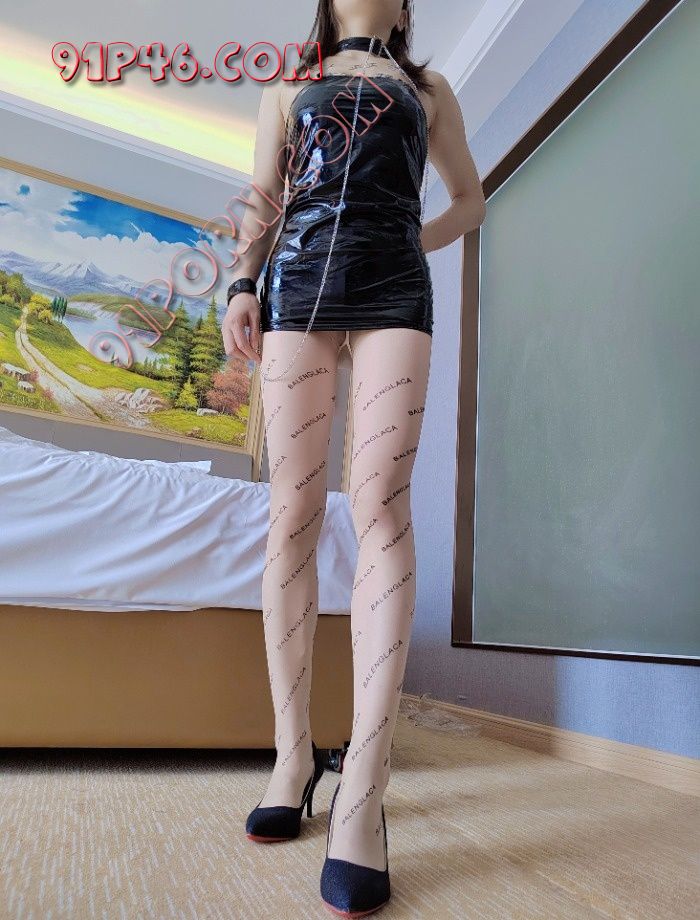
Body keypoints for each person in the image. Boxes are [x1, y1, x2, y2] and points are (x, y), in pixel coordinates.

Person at [221, 1, 485, 914]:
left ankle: (363, 788)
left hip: (394, 290)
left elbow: (469, 198)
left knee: (379, 505)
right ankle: (293, 758)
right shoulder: (287, 88)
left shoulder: (428, 88)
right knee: (292, 511)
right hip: (296, 283)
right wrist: (243, 283)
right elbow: (264, 196)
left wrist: (409, 239)